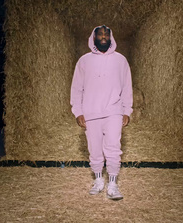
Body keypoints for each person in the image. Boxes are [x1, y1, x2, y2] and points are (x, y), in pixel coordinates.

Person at [70, 25, 133, 200]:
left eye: (106, 34)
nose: (103, 37)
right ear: (94, 38)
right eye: (100, 34)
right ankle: (98, 181)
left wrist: (127, 110)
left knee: (113, 148)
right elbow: (77, 89)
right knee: (94, 149)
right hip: (90, 113)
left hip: (114, 111)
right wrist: (78, 112)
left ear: (111, 38)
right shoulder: (84, 61)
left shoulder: (121, 60)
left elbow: (127, 87)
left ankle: (113, 184)